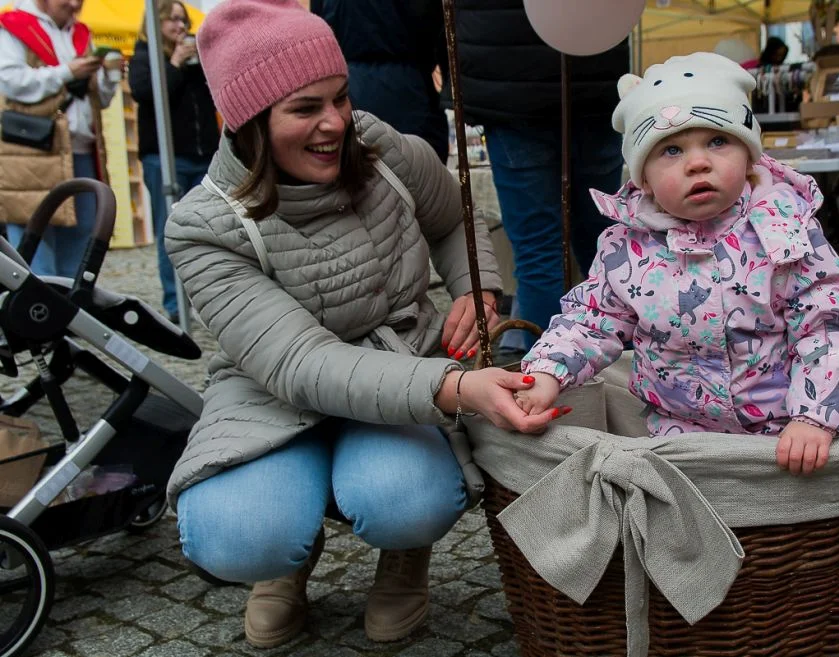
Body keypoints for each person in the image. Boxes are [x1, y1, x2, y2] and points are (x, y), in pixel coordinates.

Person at [163, 0, 566, 649]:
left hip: (398, 358)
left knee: (406, 498)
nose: (334, 123)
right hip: (273, 393)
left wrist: (479, 290)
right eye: (305, 108)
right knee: (235, 534)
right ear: (249, 122)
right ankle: (285, 563)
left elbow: (453, 219)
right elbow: (299, 363)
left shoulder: (378, 146)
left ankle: (403, 552)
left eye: (340, 98)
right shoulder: (202, 225)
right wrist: (457, 387)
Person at [515, 53, 839, 476]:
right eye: (671, 150)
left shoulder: (784, 229)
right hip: (675, 436)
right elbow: (593, 320)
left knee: (772, 524)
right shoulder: (626, 247)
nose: (698, 162)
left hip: (779, 433)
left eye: (718, 141)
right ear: (642, 179)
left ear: (750, 155)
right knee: (679, 524)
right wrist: (549, 372)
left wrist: (813, 417)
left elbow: (827, 323)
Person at [452, 0, 629, 351]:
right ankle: (618, 364)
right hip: (594, 70)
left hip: (509, 84)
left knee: (540, 252)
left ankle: (539, 371)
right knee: (605, 244)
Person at [0, 0, 118, 277]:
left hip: (80, 148)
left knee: (83, 236)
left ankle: (71, 309)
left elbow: (97, 100)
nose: (75, 4)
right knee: (35, 237)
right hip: (34, 151)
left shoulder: (81, 33)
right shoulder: (14, 27)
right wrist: (68, 72)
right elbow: (12, 82)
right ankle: (40, 311)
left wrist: (108, 79)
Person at [128, 0, 219, 323]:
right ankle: (174, 304)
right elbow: (147, 94)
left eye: (183, 20)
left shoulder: (196, 57)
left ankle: (209, 300)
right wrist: (175, 64)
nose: (180, 27)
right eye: (173, 20)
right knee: (171, 231)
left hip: (202, 155)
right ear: (156, 24)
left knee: (208, 230)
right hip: (164, 158)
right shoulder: (143, 57)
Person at [312, 0, 449, 162]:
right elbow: (441, 32)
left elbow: (319, 30)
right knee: (419, 174)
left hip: (349, 93)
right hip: (411, 92)